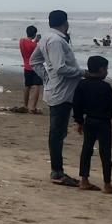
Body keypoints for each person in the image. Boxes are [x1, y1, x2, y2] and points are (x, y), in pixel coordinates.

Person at [29, 10, 82, 187]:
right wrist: (83, 73)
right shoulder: (57, 40)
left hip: (58, 89)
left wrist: (46, 76)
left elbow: (34, 61)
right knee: (57, 132)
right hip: (61, 91)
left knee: (58, 131)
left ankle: (57, 170)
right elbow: (60, 68)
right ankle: (57, 171)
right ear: (65, 23)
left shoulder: (46, 38)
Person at [74, 55, 112, 194]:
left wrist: (79, 121)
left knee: (87, 150)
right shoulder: (104, 87)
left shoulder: (82, 84)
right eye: (106, 69)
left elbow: (77, 104)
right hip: (103, 122)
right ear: (101, 70)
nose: (107, 72)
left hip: (89, 120)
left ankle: (84, 180)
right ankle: (107, 184)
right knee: (105, 152)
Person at [19, 26, 43, 114]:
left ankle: (25, 105)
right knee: (37, 85)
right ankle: (33, 107)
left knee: (27, 86)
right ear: (34, 34)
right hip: (34, 67)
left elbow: (29, 45)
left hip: (26, 65)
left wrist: (35, 41)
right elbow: (36, 51)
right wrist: (36, 42)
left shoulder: (21, 41)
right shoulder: (34, 45)